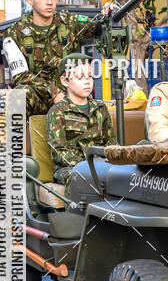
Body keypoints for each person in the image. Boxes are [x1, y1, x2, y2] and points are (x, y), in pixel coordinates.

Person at [3, 0, 113, 118]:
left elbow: (99, 27)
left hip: (70, 93)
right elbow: (22, 76)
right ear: (30, 0)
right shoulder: (14, 32)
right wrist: (54, 92)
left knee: (96, 111)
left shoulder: (68, 22)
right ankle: (15, 141)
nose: (49, 2)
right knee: (17, 97)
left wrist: (108, 14)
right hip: (38, 95)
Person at [46, 53, 116, 191]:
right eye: (80, 77)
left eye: (89, 76)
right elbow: (59, 152)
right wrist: (87, 167)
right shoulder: (58, 111)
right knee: (80, 178)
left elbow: (111, 143)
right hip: (71, 168)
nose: (87, 81)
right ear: (65, 81)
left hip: (101, 164)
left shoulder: (100, 108)